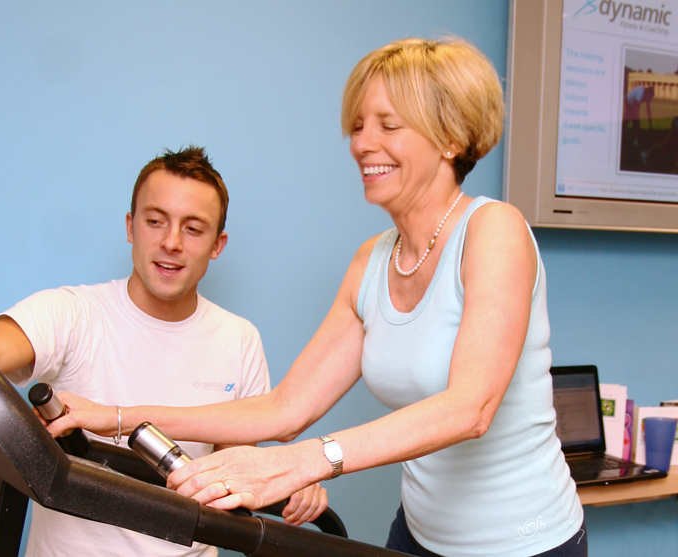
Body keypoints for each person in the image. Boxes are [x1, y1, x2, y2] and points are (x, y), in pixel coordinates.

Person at [48, 39, 586, 556]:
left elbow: (471, 407)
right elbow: (285, 410)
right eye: (357, 126)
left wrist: (308, 462)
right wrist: (115, 416)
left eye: (388, 125)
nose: (362, 143)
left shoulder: (494, 230)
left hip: (527, 542)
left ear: (450, 137)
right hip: (420, 535)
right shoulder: (371, 262)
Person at [0, 146, 327, 557]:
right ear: (131, 227)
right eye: (155, 222)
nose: (171, 242)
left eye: (193, 229)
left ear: (217, 244)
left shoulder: (239, 339)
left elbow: (234, 474)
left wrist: (293, 479)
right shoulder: (71, 313)